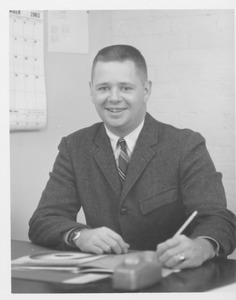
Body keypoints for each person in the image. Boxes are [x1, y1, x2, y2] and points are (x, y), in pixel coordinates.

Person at [28, 44, 236, 269]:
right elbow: (43, 220)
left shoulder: (185, 145)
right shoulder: (74, 146)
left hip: (175, 277)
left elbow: (218, 219)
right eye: (103, 88)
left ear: (146, 90)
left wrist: (201, 246)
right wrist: (80, 236)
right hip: (107, 282)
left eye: (126, 88)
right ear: (91, 90)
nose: (114, 98)